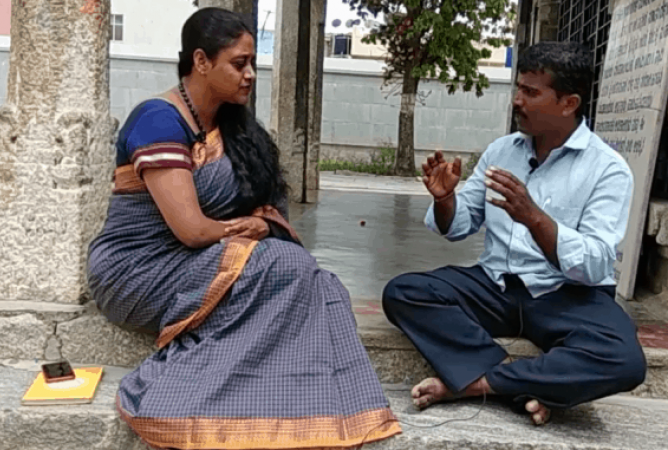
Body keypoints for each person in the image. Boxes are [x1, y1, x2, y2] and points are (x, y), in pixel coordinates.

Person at [87, 8, 401, 449]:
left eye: (252, 63)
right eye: (239, 63)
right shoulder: (158, 121)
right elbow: (193, 231)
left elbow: (263, 209)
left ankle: (302, 405)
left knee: (317, 282)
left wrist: (261, 223)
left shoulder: (231, 127)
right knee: (282, 267)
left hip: (200, 260)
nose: (250, 74)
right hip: (138, 270)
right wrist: (251, 227)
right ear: (201, 62)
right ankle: (184, 397)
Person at [382, 41, 647, 425]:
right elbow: (459, 225)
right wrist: (445, 199)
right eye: (517, 89)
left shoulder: (608, 169)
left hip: (567, 295)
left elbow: (594, 265)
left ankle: (478, 382)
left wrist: (534, 218)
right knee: (405, 293)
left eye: (530, 92)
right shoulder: (502, 151)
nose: (516, 101)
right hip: (495, 288)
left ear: (569, 103)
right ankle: (523, 388)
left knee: (623, 360)